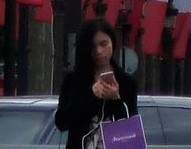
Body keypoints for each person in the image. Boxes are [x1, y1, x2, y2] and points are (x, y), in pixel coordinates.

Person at [55, 19, 138, 149]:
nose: (99, 51)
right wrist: (90, 95)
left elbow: (129, 125)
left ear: (113, 42)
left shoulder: (127, 82)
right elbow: (62, 122)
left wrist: (115, 99)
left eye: (104, 44)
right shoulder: (73, 80)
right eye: (92, 46)